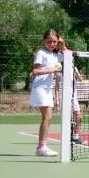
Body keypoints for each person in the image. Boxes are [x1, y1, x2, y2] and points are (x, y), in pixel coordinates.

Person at [29, 29, 63, 157]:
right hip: (40, 88)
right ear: (44, 41)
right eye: (49, 41)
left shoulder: (55, 55)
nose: (52, 44)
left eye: (55, 41)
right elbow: (35, 71)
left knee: (49, 118)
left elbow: (67, 53)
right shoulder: (41, 53)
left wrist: (62, 44)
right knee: (47, 117)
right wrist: (51, 70)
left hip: (48, 90)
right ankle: (41, 147)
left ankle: (41, 146)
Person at [56, 37, 86, 145]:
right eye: (58, 42)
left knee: (79, 116)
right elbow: (57, 81)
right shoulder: (58, 56)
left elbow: (73, 64)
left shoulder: (69, 54)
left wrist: (79, 77)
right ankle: (68, 137)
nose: (60, 43)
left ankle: (75, 137)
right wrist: (57, 98)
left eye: (61, 41)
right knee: (67, 116)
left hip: (74, 91)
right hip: (65, 91)